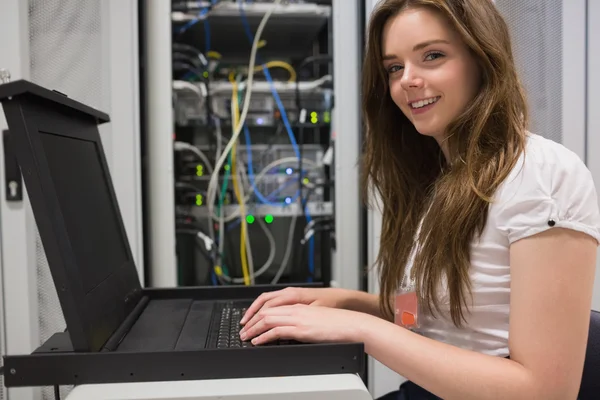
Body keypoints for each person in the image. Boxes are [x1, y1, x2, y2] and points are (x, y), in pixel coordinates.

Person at [239, 0, 600, 398]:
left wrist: (362, 327)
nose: (407, 80)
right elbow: (423, 319)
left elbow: (546, 391)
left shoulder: (543, 174)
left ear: (483, 59)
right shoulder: (436, 183)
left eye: (432, 56)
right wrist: (345, 302)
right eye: (394, 67)